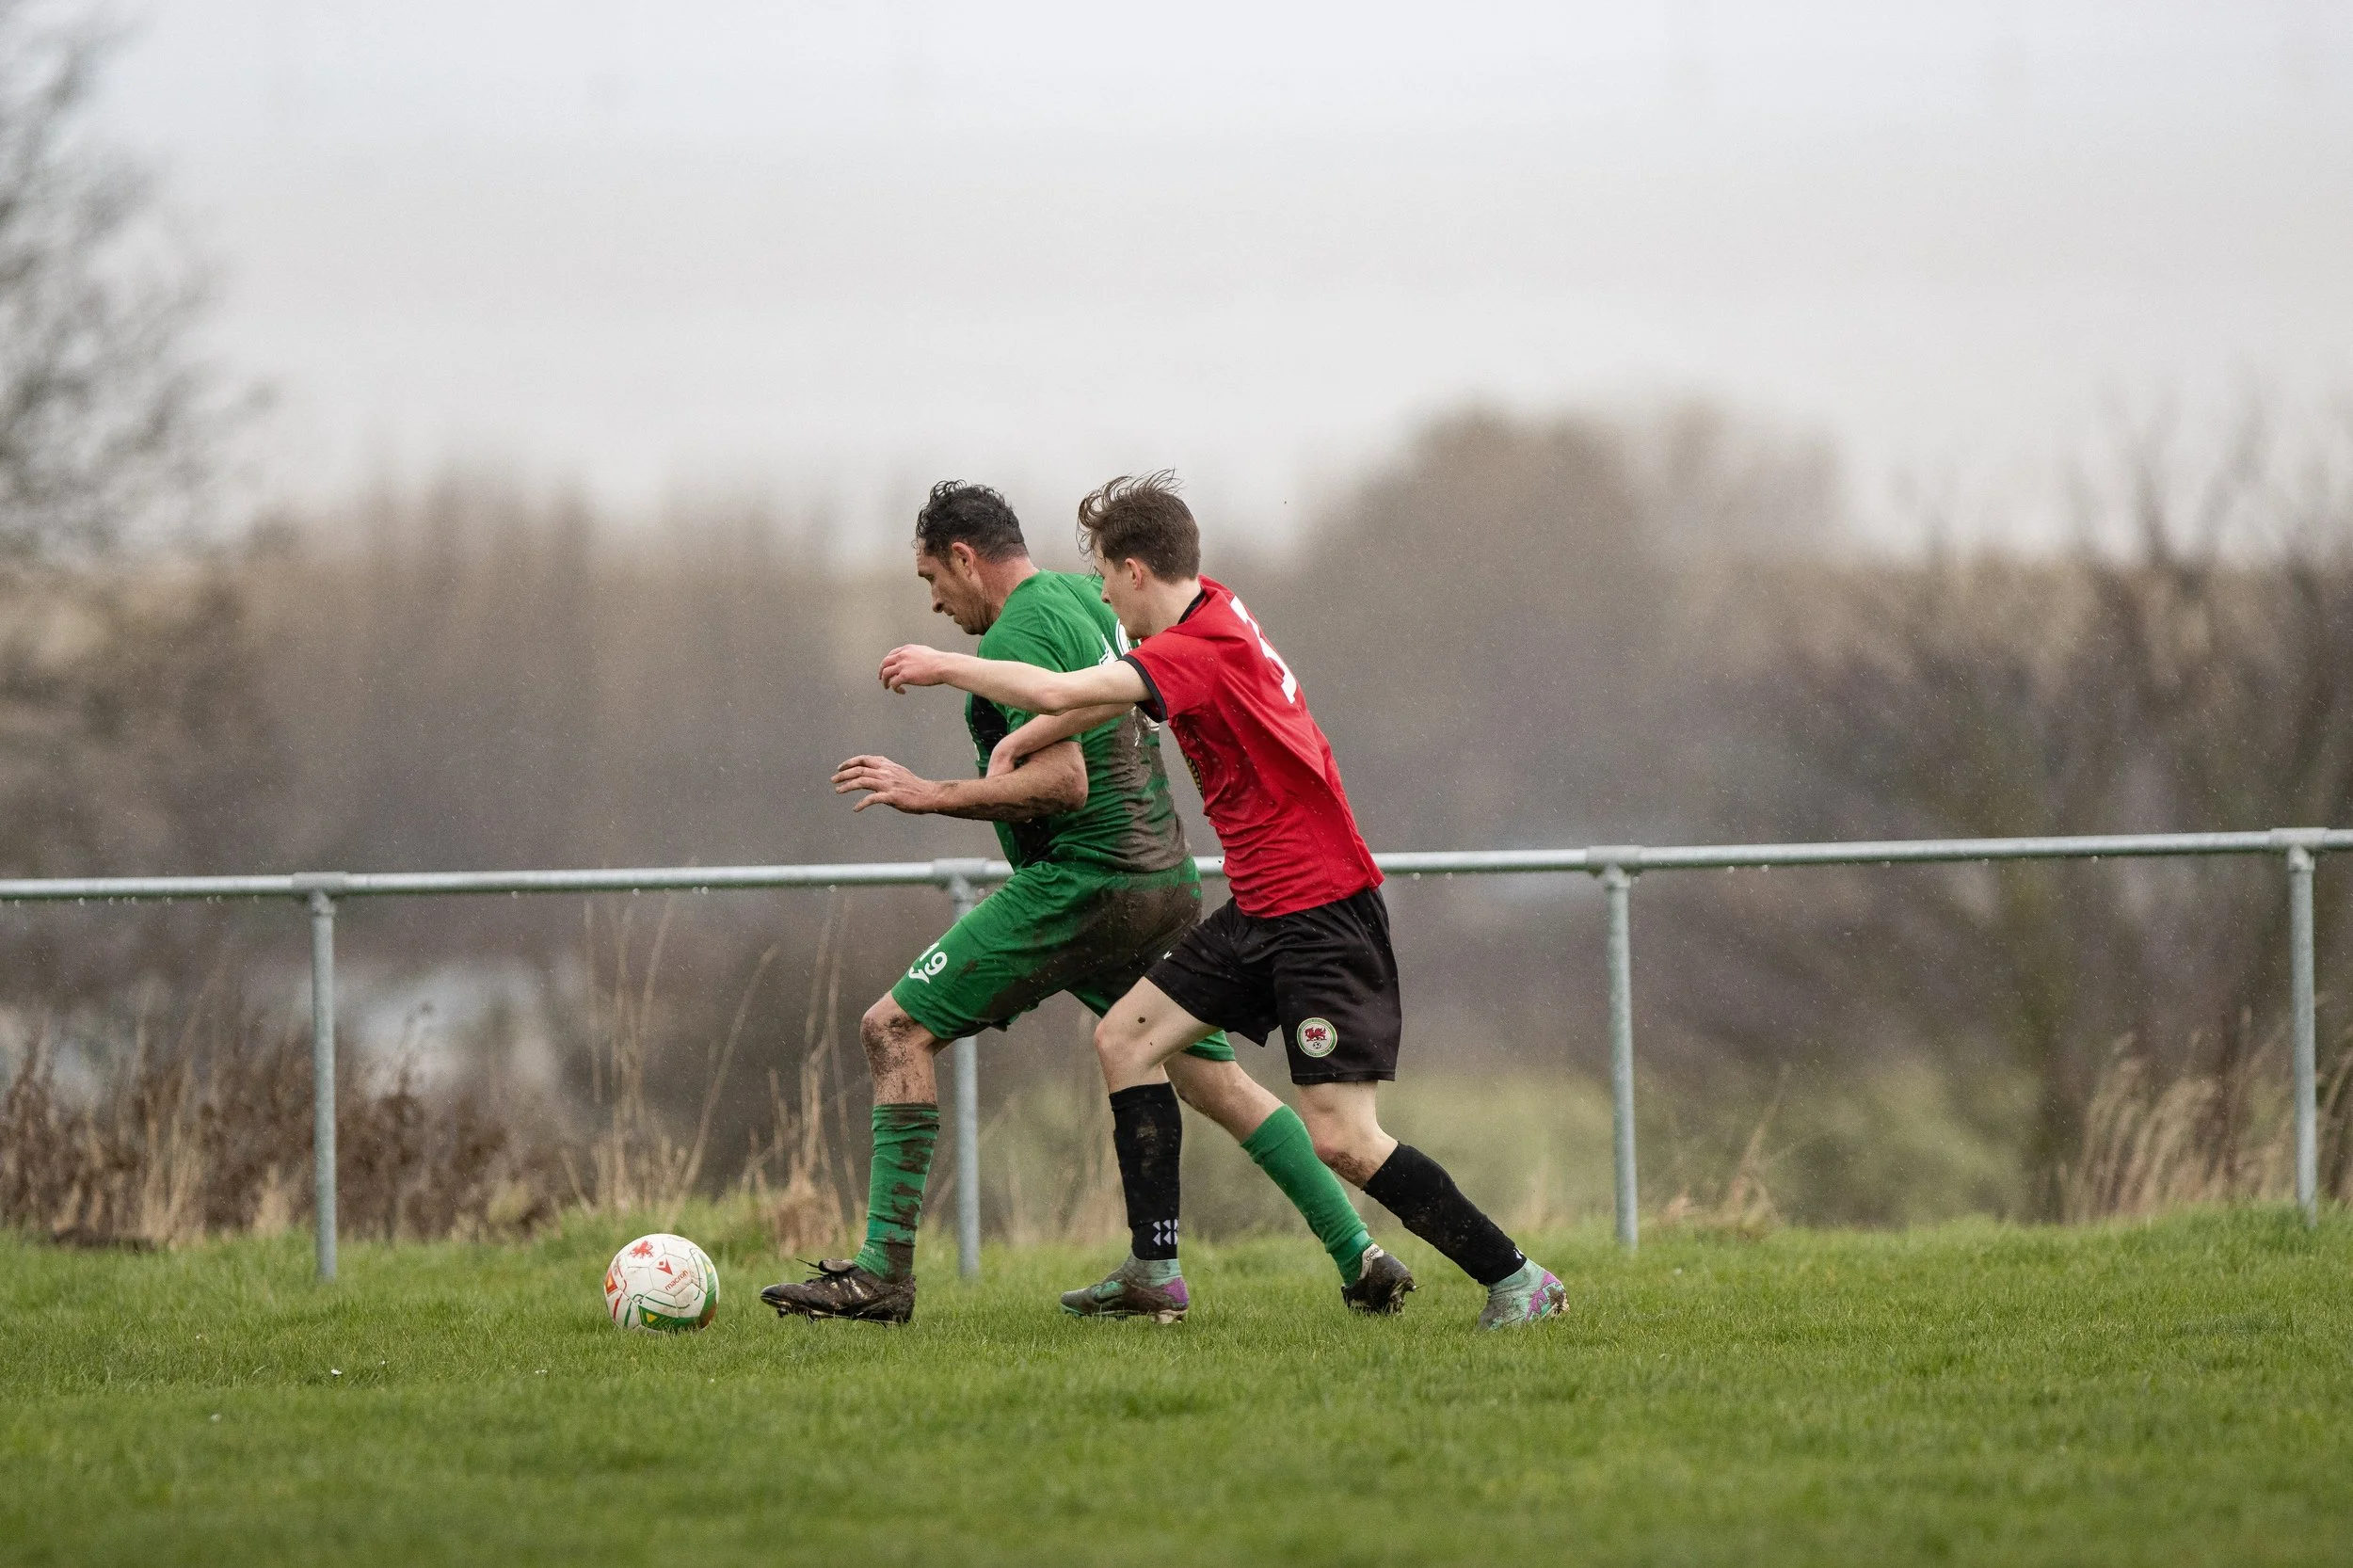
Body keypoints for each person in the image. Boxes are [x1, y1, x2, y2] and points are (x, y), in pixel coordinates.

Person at [877, 472, 1566, 1330]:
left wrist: (945, 668)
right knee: (1125, 1040)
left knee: (1345, 1138)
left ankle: (1518, 1278)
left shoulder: (1196, 653)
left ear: (1135, 572)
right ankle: (1154, 1269)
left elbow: (1069, 690)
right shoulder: (1215, 613)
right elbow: (1092, 696)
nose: (1100, 595)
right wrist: (1031, 733)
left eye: (1102, 576)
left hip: (1320, 913)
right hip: (1260, 909)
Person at [761, 481, 1414, 1326]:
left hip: (1082, 884)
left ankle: (883, 1271)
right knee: (1211, 1078)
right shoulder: (1083, 593)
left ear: (967, 559)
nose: (933, 601)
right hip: (1160, 879)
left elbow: (1065, 783)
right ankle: (1357, 1253)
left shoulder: (1018, 627)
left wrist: (927, 794)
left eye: (934, 579)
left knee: (893, 1027)